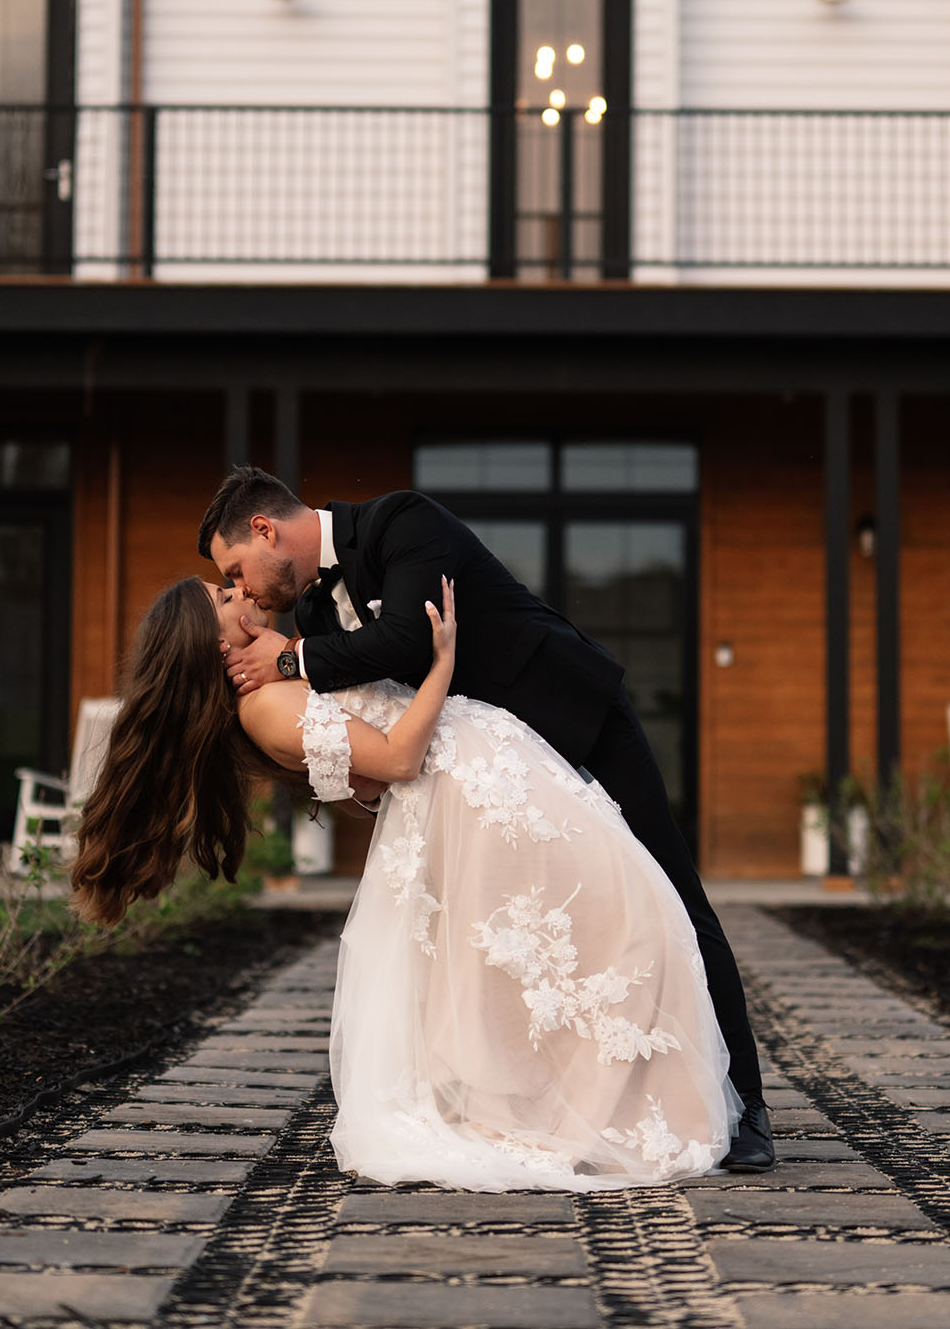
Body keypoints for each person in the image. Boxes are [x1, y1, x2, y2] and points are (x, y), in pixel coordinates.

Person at [71, 571, 740, 1190]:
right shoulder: (264, 709)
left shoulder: (279, 670)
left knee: (596, 930)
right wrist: (442, 662)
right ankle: (584, 1114)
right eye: (223, 595)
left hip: (488, 783)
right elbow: (394, 757)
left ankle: (596, 1107)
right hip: (470, 797)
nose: (240, 589)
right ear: (212, 641)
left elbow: (358, 767)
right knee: (615, 921)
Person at [200, 467, 772, 1171]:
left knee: (672, 891)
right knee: (542, 935)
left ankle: (748, 1103)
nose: (246, 589)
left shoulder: (399, 521)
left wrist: (289, 657)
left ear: (265, 529)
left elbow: (410, 639)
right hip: (493, 781)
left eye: (236, 569)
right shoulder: (317, 617)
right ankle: (588, 1102)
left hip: (572, 717)